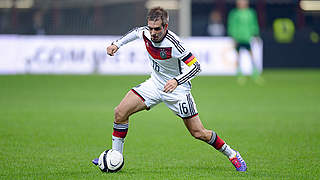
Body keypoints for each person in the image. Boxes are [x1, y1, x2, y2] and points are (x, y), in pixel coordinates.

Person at [92, 7, 247, 172]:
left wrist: (176, 81)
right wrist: (116, 44)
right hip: (155, 84)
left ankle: (232, 154)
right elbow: (135, 32)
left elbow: (196, 67)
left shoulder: (174, 43)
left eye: (157, 29)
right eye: (150, 28)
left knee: (198, 132)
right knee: (120, 113)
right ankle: (114, 158)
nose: (152, 33)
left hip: (178, 91)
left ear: (165, 26)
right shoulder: (145, 33)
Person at [227, 0, 260, 84]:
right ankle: (239, 74)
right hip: (238, 37)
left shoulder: (251, 13)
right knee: (238, 57)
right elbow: (232, 25)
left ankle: (255, 73)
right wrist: (233, 36)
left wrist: (255, 34)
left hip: (247, 37)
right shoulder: (234, 13)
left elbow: (254, 24)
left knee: (251, 55)